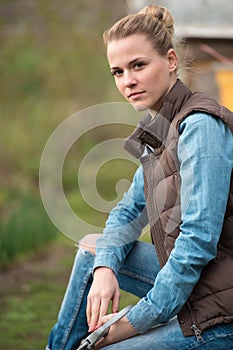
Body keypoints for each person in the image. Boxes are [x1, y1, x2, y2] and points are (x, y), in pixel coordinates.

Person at [46, 4, 233, 350]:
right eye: (117, 72)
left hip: (220, 314)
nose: (127, 81)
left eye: (138, 65)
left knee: (108, 347)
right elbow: (128, 212)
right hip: (200, 288)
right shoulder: (160, 130)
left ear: (171, 61)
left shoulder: (201, 126)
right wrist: (104, 269)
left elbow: (198, 241)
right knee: (92, 250)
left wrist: (133, 322)